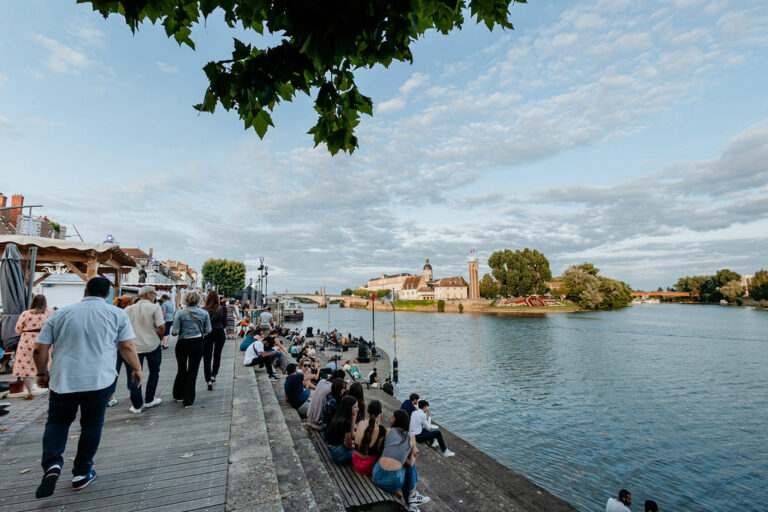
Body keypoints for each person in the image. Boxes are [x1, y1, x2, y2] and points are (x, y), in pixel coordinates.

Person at [33, 277, 143, 499]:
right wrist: (137, 369)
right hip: (99, 379)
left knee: (57, 422)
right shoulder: (117, 314)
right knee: (92, 425)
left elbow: (40, 349)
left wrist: (42, 373)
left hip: (64, 378)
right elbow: (127, 346)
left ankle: (53, 464)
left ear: (85, 291)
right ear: (107, 294)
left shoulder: (60, 313)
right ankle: (81, 473)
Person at [372, 409, 430, 511]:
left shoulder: (387, 431)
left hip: (376, 474)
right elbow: (411, 463)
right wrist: (414, 451)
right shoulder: (411, 436)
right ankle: (412, 497)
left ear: (397, 420)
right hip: (391, 482)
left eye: (393, 417)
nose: (391, 419)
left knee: (401, 464)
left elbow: (379, 451)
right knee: (410, 466)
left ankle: (412, 501)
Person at [124, 286, 165, 413]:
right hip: (152, 344)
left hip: (134, 346)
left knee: (133, 375)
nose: (155, 297)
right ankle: (149, 399)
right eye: (154, 294)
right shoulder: (155, 307)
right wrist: (159, 338)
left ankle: (136, 405)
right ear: (148, 294)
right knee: (154, 372)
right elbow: (161, 326)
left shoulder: (128, 309)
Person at [170, 291, 211, 408]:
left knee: (182, 369)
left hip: (183, 343)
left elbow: (174, 332)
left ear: (186, 300)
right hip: (197, 343)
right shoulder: (204, 313)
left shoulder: (180, 313)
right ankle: (188, 400)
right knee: (193, 371)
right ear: (198, 300)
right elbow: (208, 330)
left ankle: (178, 394)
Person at [12, 294, 52, 399]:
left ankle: (30, 393)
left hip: (26, 341)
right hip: (43, 341)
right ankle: (50, 389)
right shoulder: (48, 314)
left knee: (25, 366)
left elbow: (17, 329)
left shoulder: (25, 314)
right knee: (46, 365)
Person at [353, 400, 386, 476]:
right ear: (380, 412)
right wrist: (378, 424)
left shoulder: (361, 423)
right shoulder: (381, 430)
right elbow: (379, 452)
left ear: (368, 411)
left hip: (355, 460)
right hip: (368, 467)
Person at [202, 291, 227, 391]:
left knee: (207, 356)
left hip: (207, 334)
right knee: (217, 354)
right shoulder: (222, 308)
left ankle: (208, 380)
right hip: (219, 332)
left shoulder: (204, 309)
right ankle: (213, 375)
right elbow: (225, 324)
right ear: (217, 298)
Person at [326, 395, 358, 464]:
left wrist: (354, 417)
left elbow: (352, 435)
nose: (357, 409)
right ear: (349, 408)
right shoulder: (346, 422)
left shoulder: (339, 415)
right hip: (339, 454)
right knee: (362, 453)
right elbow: (348, 446)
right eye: (355, 407)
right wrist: (358, 447)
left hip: (333, 450)